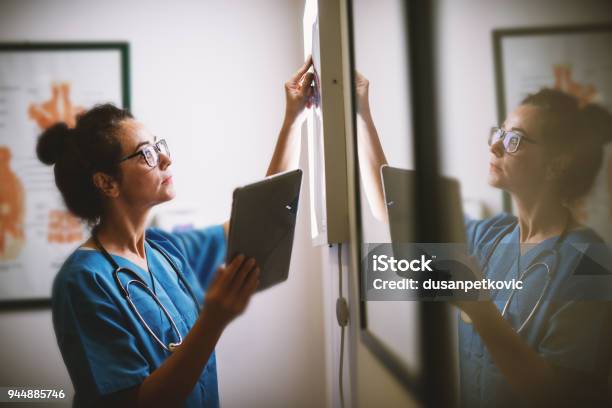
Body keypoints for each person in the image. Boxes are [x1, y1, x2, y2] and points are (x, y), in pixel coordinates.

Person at [37, 58, 315, 408]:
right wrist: (213, 321)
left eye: (159, 145)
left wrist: (293, 119)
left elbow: (264, 216)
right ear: (106, 182)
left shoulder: (166, 250)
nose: (165, 159)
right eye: (146, 153)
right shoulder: (83, 283)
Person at [355, 73, 612, 407]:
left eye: (514, 139)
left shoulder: (591, 262)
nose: (495, 144)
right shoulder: (489, 236)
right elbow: (391, 210)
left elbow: (555, 395)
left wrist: (479, 309)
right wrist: (361, 111)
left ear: (556, 165)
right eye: (500, 133)